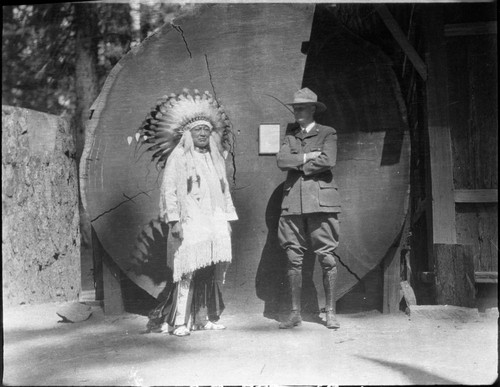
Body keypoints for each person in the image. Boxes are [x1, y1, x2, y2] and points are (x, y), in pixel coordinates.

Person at [139, 89, 238, 337]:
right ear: (188, 133)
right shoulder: (179, 156)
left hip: (214, 218)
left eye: (206, 130)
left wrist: (226, 218)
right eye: (198, 130)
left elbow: (224, 189)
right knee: (188, 270)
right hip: (190, 219)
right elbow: (169, 190)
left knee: (212, 267)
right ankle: (180, 322)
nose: (203, 134)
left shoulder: (216, 157)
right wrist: (174, 221)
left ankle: (204, 318)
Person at [276, 87, 341, 330]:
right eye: (295, 108)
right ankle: (295, 313)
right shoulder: (291, 134)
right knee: (293, 257)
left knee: (327, 257)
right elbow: (281, 160)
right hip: (293, 203)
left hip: (321, 203)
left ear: (314, 109)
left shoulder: (327, 132)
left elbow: (328, 160)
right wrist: (306, 157)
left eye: (302, 107)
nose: (297, 112)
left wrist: (298, 166)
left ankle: (331, 313)